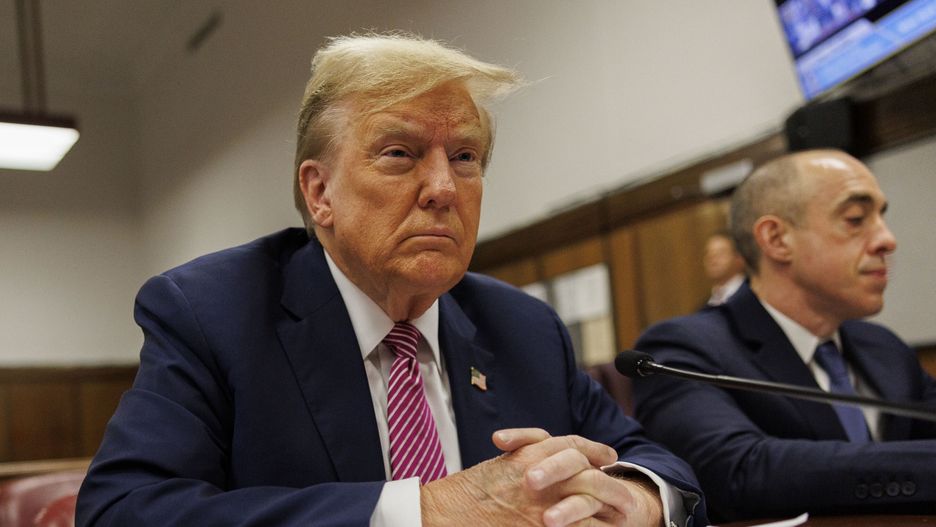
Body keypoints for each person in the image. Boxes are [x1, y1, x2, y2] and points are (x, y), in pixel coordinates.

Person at [76, 33, 706, 527]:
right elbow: (123, 511)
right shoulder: (214, 312)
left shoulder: (522, 327)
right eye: (400, 154)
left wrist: (634, 501)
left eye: (465, 158)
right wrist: (426, 513)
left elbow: (657, 464)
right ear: (319, 192)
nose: (442, 189)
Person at [632, 149, 936, 522]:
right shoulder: (683, 348)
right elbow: (737, 471)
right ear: (776, 239)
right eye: (856, 219)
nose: (887, 240)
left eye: (881, 217)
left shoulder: (885, 347)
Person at [701, 229, 745, 306]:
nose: (713, 260)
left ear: (739, 258)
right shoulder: (704, 307)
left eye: (720, 253)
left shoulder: (755, 296)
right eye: (709, 254)